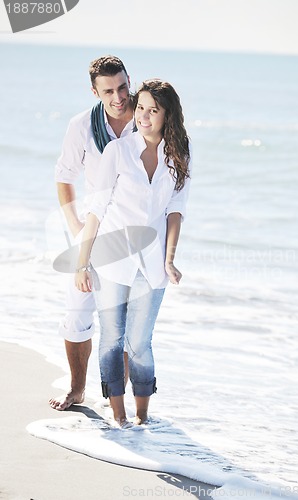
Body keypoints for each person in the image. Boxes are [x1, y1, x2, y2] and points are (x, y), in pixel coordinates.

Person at [75, 79, 191, 427]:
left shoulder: (179, 154)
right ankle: (119, 416)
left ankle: (143, 418)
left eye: (153, 110)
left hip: (153, 262)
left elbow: (175, 209)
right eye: (140, 107)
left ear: (167, 114)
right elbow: (97, 208)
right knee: (112, 339)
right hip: (111, 259)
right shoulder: (119, 152)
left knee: (140, 342)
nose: (143, 115)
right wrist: (82, 262)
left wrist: (170, 259)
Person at [49, 55, 134, 411]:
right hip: (91, 232)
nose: (119, 97)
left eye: (123, 87)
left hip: (135, 233)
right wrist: (76, 227)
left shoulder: (148, 117)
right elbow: (65, 176)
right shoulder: (82, 125)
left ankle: (119, 398)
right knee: (78, 310)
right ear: (95, 91)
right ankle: (77, 388)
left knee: (128, 319)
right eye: (109, 91)